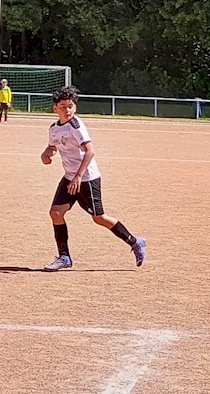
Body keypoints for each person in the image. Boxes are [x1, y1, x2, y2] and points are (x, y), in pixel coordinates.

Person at [40, 85, 146, 270]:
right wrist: (46, 153)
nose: (67, 110)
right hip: (70, 177)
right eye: (63, 106)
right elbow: (52, 146)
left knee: (99, 218)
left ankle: (135, 242)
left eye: (70, 106)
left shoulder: (76, 126)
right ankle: (64, 257)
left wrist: (78, 176)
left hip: (87, 178)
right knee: (56, 213)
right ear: (55, 108)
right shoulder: (54, 128)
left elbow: (90, 151)